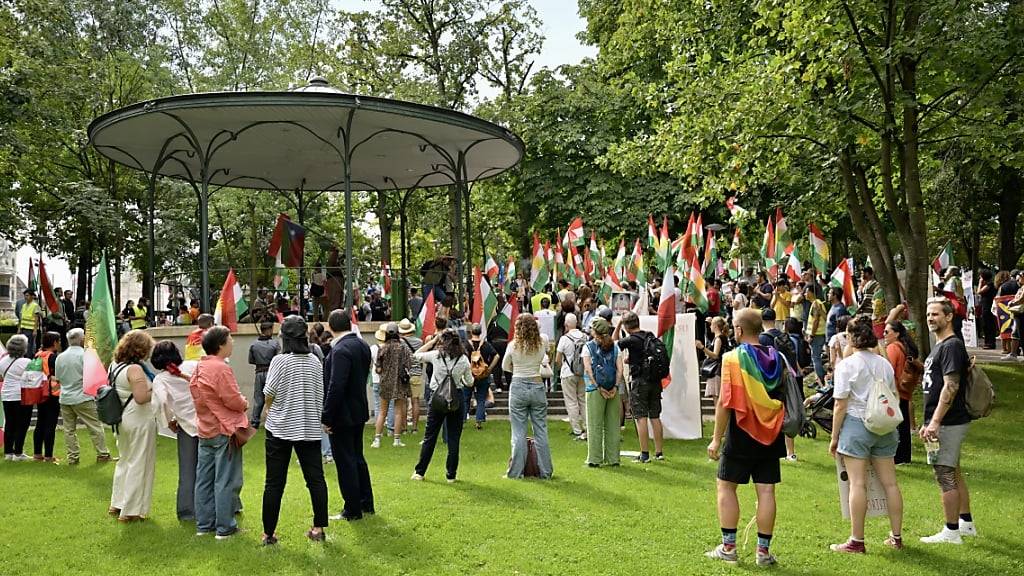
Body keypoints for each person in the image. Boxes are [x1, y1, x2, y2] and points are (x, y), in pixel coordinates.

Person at [705, 309, 784, 567]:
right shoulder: (776, 357)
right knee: (766, 491)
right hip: (771, 433)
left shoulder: (732, 359)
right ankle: (763, 552)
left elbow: (724, 403)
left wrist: (716, 439)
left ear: (738, 330)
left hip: (741, 432)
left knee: (726, 486)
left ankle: (729, 548)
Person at [828, 315, 905, 553]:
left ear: (850, 338)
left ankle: (857, 540)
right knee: (890, 483)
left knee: (857, 484)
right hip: (884, 424)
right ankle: (897, 536)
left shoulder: (846, 365)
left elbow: (840, 405)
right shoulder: (883, 363)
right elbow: (894, 395)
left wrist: (834, 437)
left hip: (856, 423)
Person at [260, 316, 329, 545]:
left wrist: (270, 409)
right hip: (308, 426)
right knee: (316, 479)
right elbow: (320, 394)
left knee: (274, 482)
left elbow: (268, 392)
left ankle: (268, 533)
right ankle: (319, 528)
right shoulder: (315, 362)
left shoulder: (280, 361)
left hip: (280, 427)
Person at [919, 297, 976, 544]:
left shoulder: (951, 345)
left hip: (948, 421)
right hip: (943, 419)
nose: (931, 318)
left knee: (944, 474)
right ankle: (966, 523)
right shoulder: (941, 345)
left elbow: (950, 386)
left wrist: (935, 422)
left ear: (949, 316)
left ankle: (951, 531)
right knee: (953, 470)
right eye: (929, 314)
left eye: (936, 314)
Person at [190, 326, 249, 538]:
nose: (232, 342)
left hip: (206, 428)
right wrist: (244, 403)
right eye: (230, 339)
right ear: (220, 345)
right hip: (224, 429)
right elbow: (232, 399)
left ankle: (204, 525)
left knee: (204, 478)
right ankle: (225, 527)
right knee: (226, 479)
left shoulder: (199, 367)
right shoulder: (221, 368)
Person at [323, 308, 375, 521]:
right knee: (357, 457)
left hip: (342, 414)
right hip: (358, 409)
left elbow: (337, 385)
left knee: (345, 461)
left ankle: (352, 508)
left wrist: (327, 415)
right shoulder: (361, 344)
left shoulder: (341, 350)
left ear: (330, 326)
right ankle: (365, 502)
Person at [108, 330, 158, 523]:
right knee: (139, 462)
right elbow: (141, 397)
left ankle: (117, 503)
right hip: (138, 419)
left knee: (124, 460)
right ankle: (131, 510)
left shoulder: (115, 365)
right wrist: (157, 387)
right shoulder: (135, 370)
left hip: (122, 418)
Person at [411, 329, 473, 482]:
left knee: (430, 436)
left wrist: (431, 342)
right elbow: (470, 382)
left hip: (437, 398)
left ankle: (420, 472)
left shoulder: (436, 356)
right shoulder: (463, 359)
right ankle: (451, 475)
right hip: (456, 398)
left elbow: (415, 355)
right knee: (453, 438)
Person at [151, 340, 199, 521]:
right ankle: (226, 505)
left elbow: (162, 401)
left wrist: (169, 420)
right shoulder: (193, 366)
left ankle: (187, 511)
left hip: (186, 426)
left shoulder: (160, 379)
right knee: (214, 468)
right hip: (207, 422)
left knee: (187, 471)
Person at [502, 313, 554, 479]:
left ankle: (516, 472)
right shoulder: (540, 345)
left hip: (518, 385)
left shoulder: (513, 345)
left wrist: (517, 370)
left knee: (518, 432)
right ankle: (546, 471)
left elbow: (505, 366)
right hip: (537, 384)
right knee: (541, 431)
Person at [54, 328, 111, 465]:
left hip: (65, 397)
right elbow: (96, 377)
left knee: (69, 430)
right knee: (95, 426)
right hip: (83, 397)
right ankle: (103, 453)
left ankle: (73, 457)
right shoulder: (86, 355)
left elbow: (58, 378)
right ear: (82, 340)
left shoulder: (60, 357)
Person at [617, 311, 664, 463]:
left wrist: (618, 325)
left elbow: (613, 343)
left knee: (641, 417)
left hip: (639, 381)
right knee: (655, 416)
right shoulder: (649, 336)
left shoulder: (630, 340)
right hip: (655, 381)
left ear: (626, 326)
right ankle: (659, 452)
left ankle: (644, 454)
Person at [759, 309, 799, 462]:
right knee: (787, 413)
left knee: (771, 414)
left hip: (770, 381)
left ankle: (769, 447)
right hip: (787, 378)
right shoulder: (783, 335)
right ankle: (791, 452)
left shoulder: (762, 338)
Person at [581, 317, 621, 467]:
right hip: (613, 389)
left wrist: (598, 386)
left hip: (594, 390)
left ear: (594, 331)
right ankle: (613, 458)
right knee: (612, 425)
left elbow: (587, 368)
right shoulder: (615, 346)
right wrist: (615, 387)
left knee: (594, 425)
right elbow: (620, 369)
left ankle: (594, 459)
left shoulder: (588, 347)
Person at [884, 321, 918, 465]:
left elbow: (888, 369)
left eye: (887, 332)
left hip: (895, 390)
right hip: (904, 390)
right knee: (903, 424)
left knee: (897, 425)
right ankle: (905, 455)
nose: (884, 335)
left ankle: (898, 456)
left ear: (896, 333)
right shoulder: (905, 347)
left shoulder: (892, 348)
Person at [373, 322, 412, 448]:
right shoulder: (403, 348)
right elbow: (409, 364)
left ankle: (377, 439)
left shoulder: (382, 348)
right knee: (398, 412)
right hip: (400, 382)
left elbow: (377, 369)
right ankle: (396, 439)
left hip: (385, 382)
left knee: (382, 412)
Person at [31, 331, 62, 462]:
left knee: (40, 423)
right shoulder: (53, 357)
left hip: (39, 391)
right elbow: (59, 374)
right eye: (59, 341)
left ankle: (37, 454)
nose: (60, 344)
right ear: (54, 343)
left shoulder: (37, 355)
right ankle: (49, 455)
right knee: (50, 424)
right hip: (52, 393)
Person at [554, 313, 587, 439]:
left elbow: (557, 358)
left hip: (568, 372)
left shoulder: (564, 338)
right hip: (583, 372)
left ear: (566, 324)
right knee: (583, 400)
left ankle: (577, 429)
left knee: (571, 402)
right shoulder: (585, 337)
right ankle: (587, 427)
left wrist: (560, 366)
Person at [1, 335, 33, 460]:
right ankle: (18, 452)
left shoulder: (3, 361)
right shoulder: (26, 362)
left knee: (10, 423)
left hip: (6, 394)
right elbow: (32, 378)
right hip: (21, 395)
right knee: (22, 424)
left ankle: (8, 452)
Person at [248, 321, 280, 429]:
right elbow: (278, 359)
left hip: (259, 372)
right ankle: (273, 419)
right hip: (271, 372)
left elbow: (251, 360)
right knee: (273, 397)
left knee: (258, 398)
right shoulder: (275, 344)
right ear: (269, 330)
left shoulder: (254, 344)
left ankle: (255, 421)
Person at [467, 323, 499, 429]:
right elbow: (497, 356)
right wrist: (489, 369)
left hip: (469, 375)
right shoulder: (485, 344)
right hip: (483, 375)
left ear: (471, 332)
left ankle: (462, 419)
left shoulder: (466, 344)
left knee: (465, 398)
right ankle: (479, 421)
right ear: (480, 332)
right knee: (481, 399)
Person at [398, 319, 424, 433]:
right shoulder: (419, 342)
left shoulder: (399, 342)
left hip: (403, 373)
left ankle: (403, 428)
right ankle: (414, 428)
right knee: (415, 401)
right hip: (416, 373)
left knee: (403, 401)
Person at [697, 317, 730, 401]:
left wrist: (702, 348)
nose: (710, 327)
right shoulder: (721, 337)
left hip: (715, 371)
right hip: (719, 369)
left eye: (711, 325)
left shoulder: (718, 338)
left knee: (717, 400)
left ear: (715, 326)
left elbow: (715, 355)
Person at [804, 285, 828, 387]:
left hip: (817, 334)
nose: (805, 294)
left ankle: (821, 380)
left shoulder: (815, 304)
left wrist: (811, 336)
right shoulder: (817, 303)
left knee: (816, 358)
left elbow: (816, 321)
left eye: (806, 292)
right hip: (819, 334)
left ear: (811, 292)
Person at [18, 290, 42, 357]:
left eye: (27, 295)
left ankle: (28, 358)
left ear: (32, 296)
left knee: (29, 345)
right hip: (23, 328)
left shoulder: (35, 305)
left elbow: (36, 318)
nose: (26, 297)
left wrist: (35, 330)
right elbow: (21, 318)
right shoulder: (24, 305)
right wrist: (19, 328)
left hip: (30, 329)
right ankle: (23, 357)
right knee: (23, 345)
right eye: (25, 295)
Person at [977, 269, 996, 349]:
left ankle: (990, 343)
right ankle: (988, 342)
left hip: (988, 307)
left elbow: (979, 291)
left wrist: (980, 283)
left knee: (988, 325)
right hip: (986, 306)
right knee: (986, 325)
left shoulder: (989, 285)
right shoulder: (990, 284)